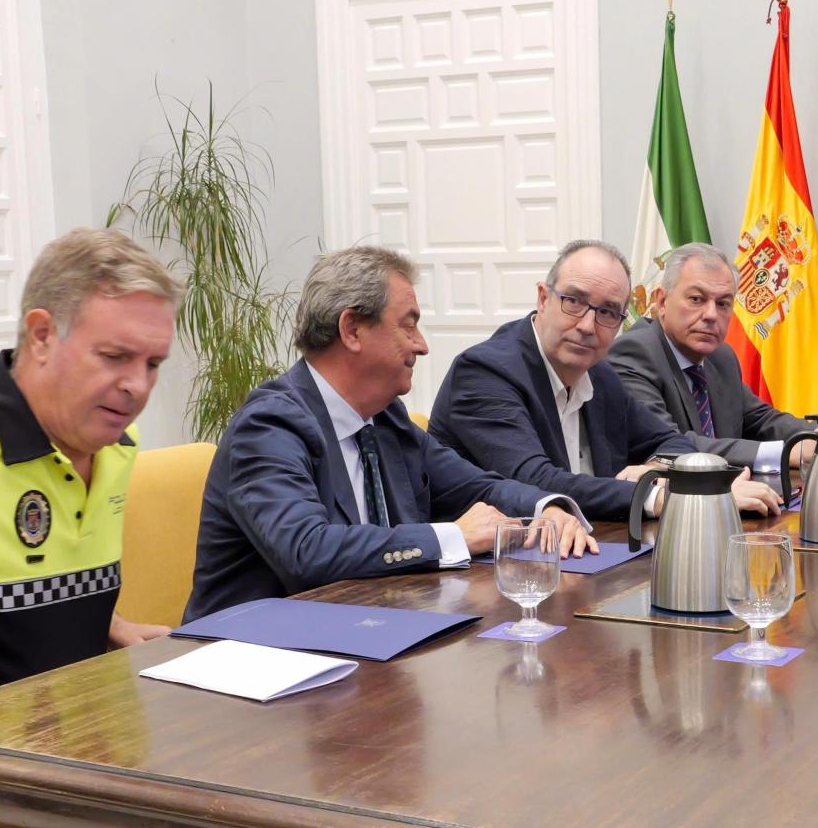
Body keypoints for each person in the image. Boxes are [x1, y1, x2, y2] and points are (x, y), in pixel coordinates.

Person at [184, 247, 592, 622]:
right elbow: (306, 552)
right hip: (252, 662)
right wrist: (453, 537)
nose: (423, 345)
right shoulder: (270, 424)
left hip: (363, 636)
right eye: (408, 326)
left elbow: (474, 487)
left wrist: (544, 511)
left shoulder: (385, 418)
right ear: (352, 329)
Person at [0, 228, 180, 704]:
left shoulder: (118, 448)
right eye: (115, 357)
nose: (138, 386)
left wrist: (105, 622)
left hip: (103, 752)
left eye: (153, 364)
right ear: (42, 335)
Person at [430, 240, 783, 520]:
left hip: (585, 551)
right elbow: (537, 482)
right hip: (483, 576)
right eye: (573, 301)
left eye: (607, 312)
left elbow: (672, 444)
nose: (587, 325)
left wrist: (655, 469)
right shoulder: (484, 373)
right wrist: (667, 496)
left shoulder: (599, 373)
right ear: (543, 298)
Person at [609, 243, 817, 473]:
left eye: (723, 304)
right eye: (696, 299)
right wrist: (789, 452)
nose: (711, 315)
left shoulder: (721, 356)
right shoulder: (634, 352)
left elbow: (762, 420)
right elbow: (670, 445)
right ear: (661, 301)